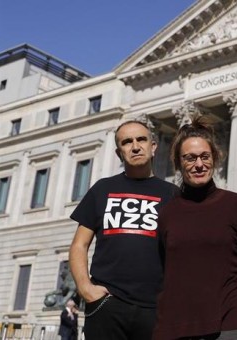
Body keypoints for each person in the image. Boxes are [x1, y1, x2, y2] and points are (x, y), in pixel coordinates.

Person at [69, 120, 178, 340]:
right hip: (106, 305)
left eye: (141, 139)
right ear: (119, 153)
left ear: (153, 146)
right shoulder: (102, 189)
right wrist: (85, 288)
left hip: (155, 308)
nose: (135, 146)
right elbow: (79, 245)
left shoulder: (173, 194)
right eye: (127, 142)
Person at [153, 117, 237, 340]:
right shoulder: (167, 214)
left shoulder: (236, 205)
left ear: (215, 158)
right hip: (176, 326)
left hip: (226, 323)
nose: (199, 164)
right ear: (178, 164)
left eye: (204, 156)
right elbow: (165, 270)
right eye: (190, 158)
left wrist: (224, 296)